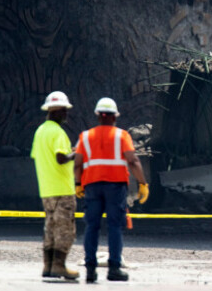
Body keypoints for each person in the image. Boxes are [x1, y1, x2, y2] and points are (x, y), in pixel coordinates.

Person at [74, 97, 149, 283]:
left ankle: (91, 270)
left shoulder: (85, 136)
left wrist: (78, 184)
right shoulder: (122, 136)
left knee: (92, 226)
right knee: (114, 227)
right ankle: (114, 269)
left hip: (92, 186)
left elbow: (78, 164)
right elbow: (133, 161)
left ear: (98, 116)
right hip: (115, 187)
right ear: (115, 117)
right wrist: (142, 183)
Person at [30, 91, 80, 280]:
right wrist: (76, 153)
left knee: (50, 228)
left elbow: (41, 156)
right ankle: (59, 266)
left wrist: (69, 152)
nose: (66, 114)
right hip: (62, 190)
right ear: (57, 111)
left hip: (47, 190)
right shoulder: (58, 132)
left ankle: (48, 266)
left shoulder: (40, 131)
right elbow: (60, 158)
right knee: (65, 229)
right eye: (64, 111)